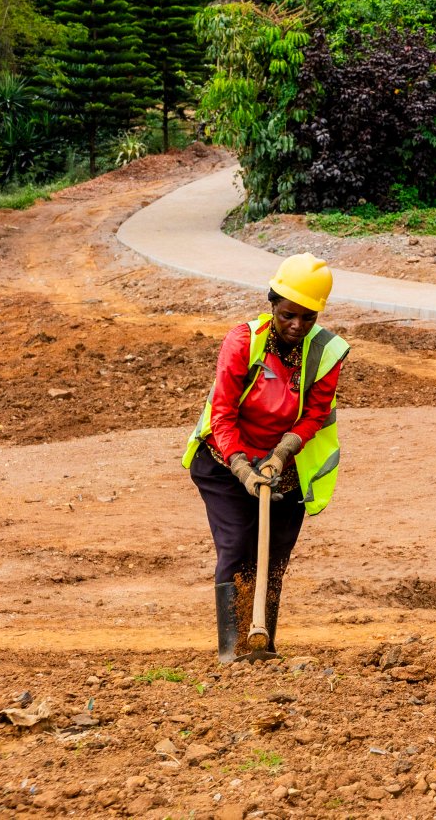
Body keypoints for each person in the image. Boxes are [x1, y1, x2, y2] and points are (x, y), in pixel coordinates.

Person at [180, 253, 347, 663]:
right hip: (224, 460)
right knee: (237, 544)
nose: (297, 325)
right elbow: (222, 414)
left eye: (307, 318)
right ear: (273, 304)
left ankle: (261, 644)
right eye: (289, 314)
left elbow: (314, 414)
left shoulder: (324, 353)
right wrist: (242, 467)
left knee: (273, 557)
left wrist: (280, 455)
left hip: (285, 466)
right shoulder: (243, 342)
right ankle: (233, 647)